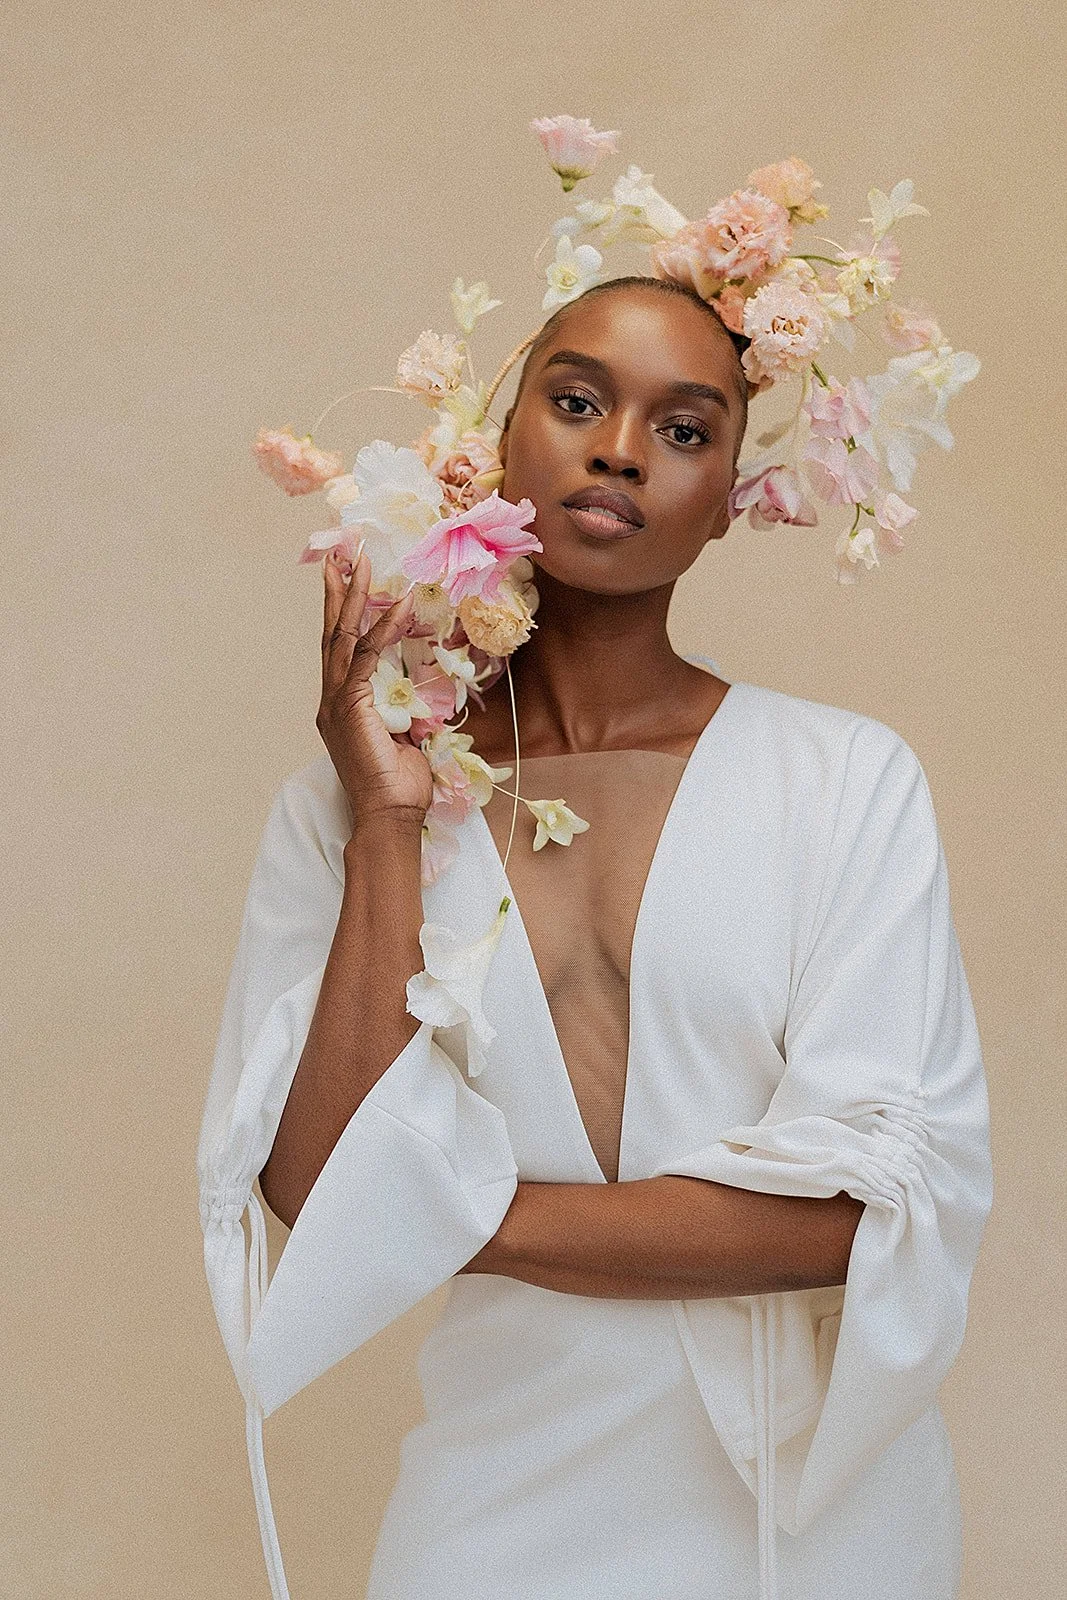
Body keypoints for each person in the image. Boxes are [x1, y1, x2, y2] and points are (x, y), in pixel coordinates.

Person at [198, 277, 993, 1600]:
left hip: (807, 1520)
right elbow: (317, 1191)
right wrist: (389, 824)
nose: (620, 447)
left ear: (732, 494)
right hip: (496, 1499)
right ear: (502, 437)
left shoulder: (842, 781)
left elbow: (865, 1216)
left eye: (683, 429)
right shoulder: (352, 807)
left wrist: (448, 1212)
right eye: (577, 402)